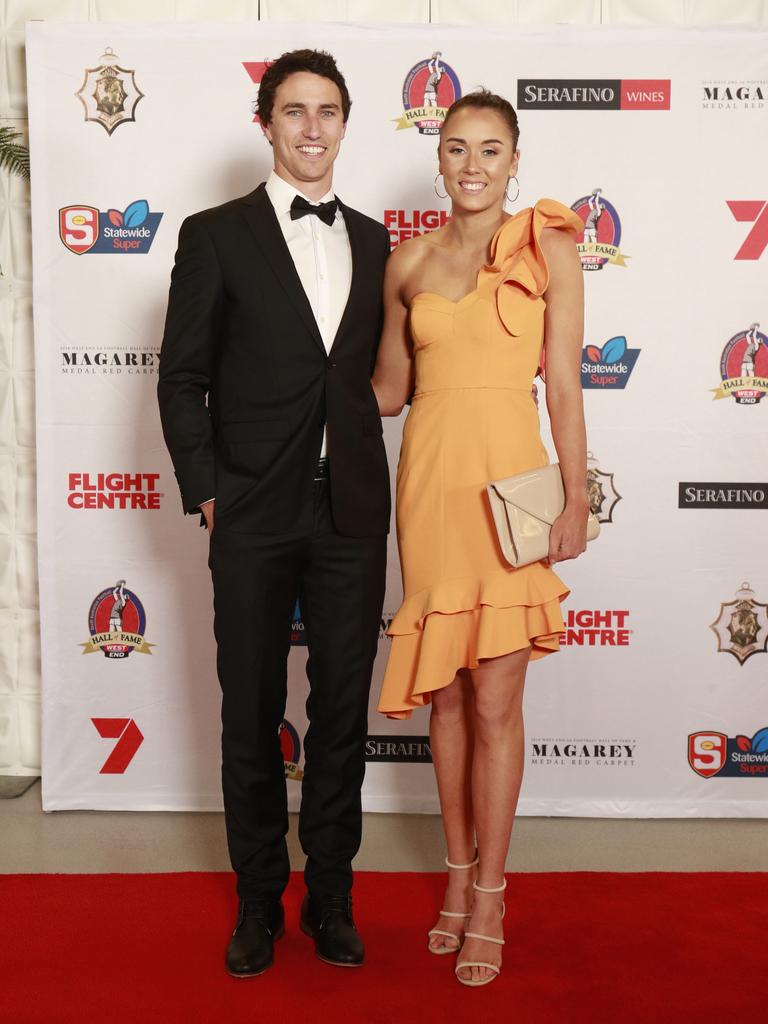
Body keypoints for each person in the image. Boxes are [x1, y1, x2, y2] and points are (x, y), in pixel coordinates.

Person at [158, 49, 390, 978]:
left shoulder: (376, 242)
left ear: (344, 122)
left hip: (351, 513)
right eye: (293, 111)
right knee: (250, 709)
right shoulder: (215, 234)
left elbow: (379, 374)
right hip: (251, 510)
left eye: (327, 111)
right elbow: (182, 378)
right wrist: (211, 491)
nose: (311, 128)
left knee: (341, 712)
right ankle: (257, 901)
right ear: (266, 123)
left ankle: (330, 895)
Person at [373, 89, 588, 987]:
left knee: (496, 701)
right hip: (429, 486)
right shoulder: (407, 261)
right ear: (438, 158)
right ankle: (455, 882)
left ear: (514, 159)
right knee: (448, 702)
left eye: (490, 150)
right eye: (457, 147)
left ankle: (492, 894)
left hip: (512, 486)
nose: (472, 165)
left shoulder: (550, 246)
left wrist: (576, 498)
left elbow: (567, 386)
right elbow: (386, 389)